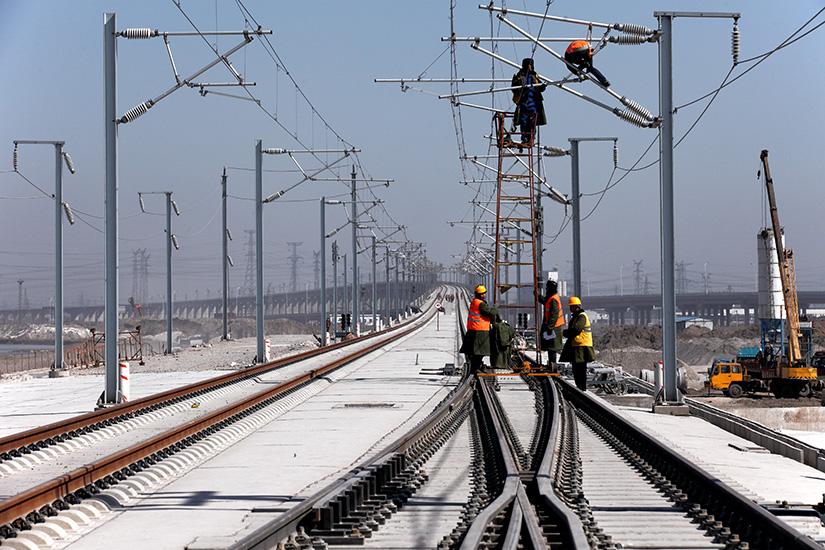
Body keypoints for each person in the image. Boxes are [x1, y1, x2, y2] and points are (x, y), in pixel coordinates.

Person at [560, 296, 596, 391]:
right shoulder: (577, 316)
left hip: (582, 345)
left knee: (580, 368)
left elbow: (576, 329)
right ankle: (580, 387)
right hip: (578, 345)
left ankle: (581, 388)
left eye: (572, 306)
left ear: (577, 307)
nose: (570, 309)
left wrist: (566, 333)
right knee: (577, 368)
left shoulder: (582, 316)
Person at [511, 58, 547, 147]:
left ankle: (531, 137)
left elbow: (541, 87)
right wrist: (520, 86)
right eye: (529, 65)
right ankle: (524, 138)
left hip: (533, 103)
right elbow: (513, 87)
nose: (530, 67)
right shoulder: (519, 76)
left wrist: (543, 86)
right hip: (523, 102)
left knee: (533, 120)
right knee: (524, 120)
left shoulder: (534, 76)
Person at [460, 284, 496, 375]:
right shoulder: (481, 304)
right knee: (480, 351)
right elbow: (489, 313)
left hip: (473, 328)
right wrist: (495, 309)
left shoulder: (474, 301)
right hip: (480, 330)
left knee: (475, 351)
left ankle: (476, 367)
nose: (484, 295)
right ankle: (475, 368)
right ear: (480, 294)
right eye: (483, 293)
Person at [538, 279, 564, 368]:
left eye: (547, 287)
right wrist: (538, 296)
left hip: (554, 327)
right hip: (552, 326)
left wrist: (550, 327)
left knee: (552, 347)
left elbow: (554, 315)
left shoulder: (553, 299)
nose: (546, 289)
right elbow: (545, 301)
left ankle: (553, 364)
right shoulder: (551, 297)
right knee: (550, 346)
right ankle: (551, 364)